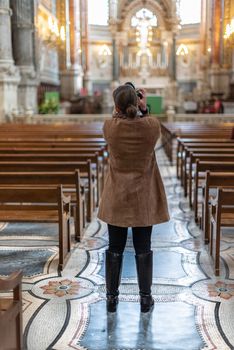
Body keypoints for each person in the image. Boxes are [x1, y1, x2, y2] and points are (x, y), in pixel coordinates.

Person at [97, 85, 169, 313]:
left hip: (117, 195)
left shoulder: (110, 127)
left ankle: (111, 298)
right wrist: (143, 108)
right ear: (136, 102)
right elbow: (147, 121)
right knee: (143, 247)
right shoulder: (151, 127)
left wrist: (121, 108)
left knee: (114, 247)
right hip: (143, 197)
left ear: (116, 106)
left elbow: (115, 119)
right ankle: (145, 299)